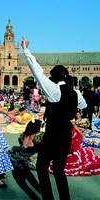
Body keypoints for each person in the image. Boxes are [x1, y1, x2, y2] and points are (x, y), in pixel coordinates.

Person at [21, 37, 87, 200]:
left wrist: (26, 50)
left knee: (41, 167)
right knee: (59, 170)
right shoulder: (76, 93)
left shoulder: (53, 89)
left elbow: (37, 71)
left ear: (55, 77)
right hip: (66, 137)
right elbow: (83, 105)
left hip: (52, 136)